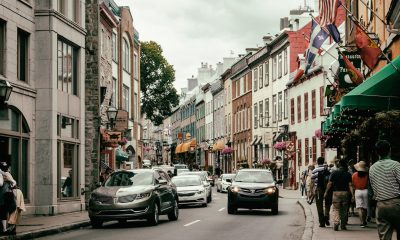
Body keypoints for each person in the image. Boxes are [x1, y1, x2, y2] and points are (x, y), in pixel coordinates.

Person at [369, 140, 400, 240]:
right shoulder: (396, 165)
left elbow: (373, 188)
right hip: (396, 204)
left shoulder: (372, 168)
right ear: (389, 150)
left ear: (377, 152)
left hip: (381, 205)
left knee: (384, 237)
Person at [325, 159, 354, 231]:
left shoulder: (334, 173)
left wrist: (326, 192)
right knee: (344, 210)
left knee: (336, 209)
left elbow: (330, 183)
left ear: (339, 165)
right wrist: (353, 195)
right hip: (345, 193)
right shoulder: (348, 174)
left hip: (336, 193)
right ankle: (343, 225)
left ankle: (336, 222)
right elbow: (350, 185)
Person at [312, 157, 331, 227]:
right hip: (327, 188)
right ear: (323, 162)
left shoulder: (315, 170)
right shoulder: (327, 169)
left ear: (317, 162)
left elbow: (312, 179)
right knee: (327, 203)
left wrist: (312, 190)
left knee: (319, 205)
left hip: (319, 188)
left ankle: (322, 222)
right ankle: (326, 215)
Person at [0, 161, 16, 235]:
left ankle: (6, 229)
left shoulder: (4, 174)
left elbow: (1, 184)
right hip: (7, 194)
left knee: (4, 211)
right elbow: (14, 183)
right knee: (9, 210)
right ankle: (9, 228)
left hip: (4, 195)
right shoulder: (6, 173)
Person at [352, 160, 369, 228]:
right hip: (365, 191)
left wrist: (353, 194)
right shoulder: (367, 175)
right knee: (365, 208)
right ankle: (364, 221)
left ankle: (361, 222)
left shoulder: (354, 175)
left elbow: (352, 185)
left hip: (357, 191)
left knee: (359, 208)